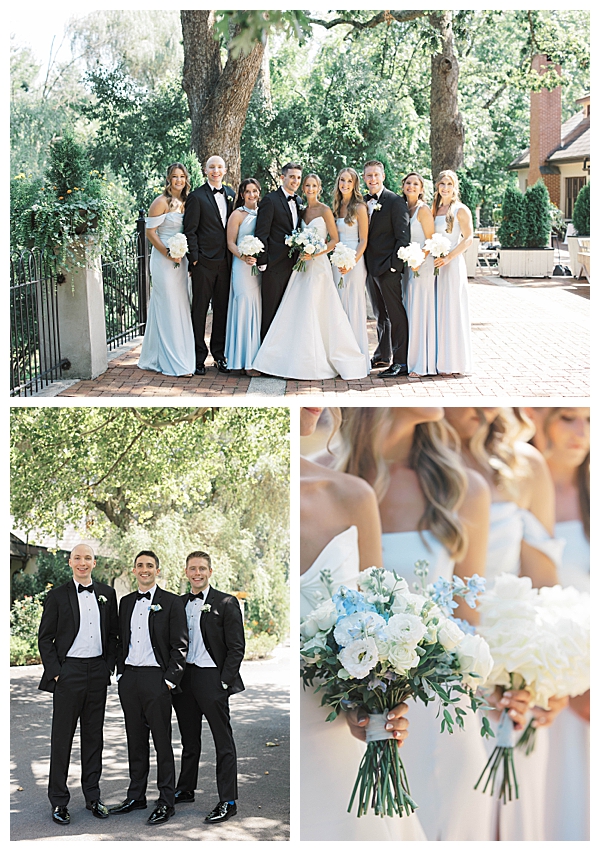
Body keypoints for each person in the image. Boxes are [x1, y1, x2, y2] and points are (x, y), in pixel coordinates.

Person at [331, 407, 497, 840]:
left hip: (446, 713)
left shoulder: (461, 487)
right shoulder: (329, 484)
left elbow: (469, 617)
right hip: (365, 715)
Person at [299, 407, 425, 841]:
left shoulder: (352, 495)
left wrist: (375, 706)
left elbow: (383, 619)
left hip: (338, 732)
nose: (316, 403)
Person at [443, 407, 564, 841]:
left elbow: (546, 588)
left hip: (514, 682)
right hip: (436, 681)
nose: (481, 410)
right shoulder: (415, 464)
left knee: (510, 823)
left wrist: (549, 680)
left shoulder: (524, 465)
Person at [526, 407, 590, 841]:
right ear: (538, 418)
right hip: (544, 681)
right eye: (568, 418)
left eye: (589, 419)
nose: (581, 433)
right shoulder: (521, 489)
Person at [252, 174, 367, 380]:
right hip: (301, 266)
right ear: (303, 188)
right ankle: (290, 359)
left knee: (318, 308)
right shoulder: (301, 210)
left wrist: (316, 252)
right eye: (307, 185)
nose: (310, 188)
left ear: (319, 188)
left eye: (314, 185)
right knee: (296, 310)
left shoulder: (324, 210)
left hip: (319, 265)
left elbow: (334, 239)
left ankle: (319, 360)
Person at [37, 543, 118, 825]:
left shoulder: (108, 594)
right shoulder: (57, 596)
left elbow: (114, 635)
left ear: (94, 563)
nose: (82, 563)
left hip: (97, 671)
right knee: (62, 738)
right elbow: (45, 638)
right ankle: (59, 801)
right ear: (70, 562)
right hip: (68, 671)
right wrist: (57, 673)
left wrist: (107, 667)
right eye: (77, 558)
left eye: (87, 558)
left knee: (94, 738)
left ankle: (93, 797)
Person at [110, 551, 188, 825]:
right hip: (130, 679)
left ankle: (166, 801)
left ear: (157, 570)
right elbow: (121, 639)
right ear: (134, 570)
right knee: (135, 740)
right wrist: (121, 672)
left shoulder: (171, 602)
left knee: (162, 742)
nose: (145, 570)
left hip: (157, 680)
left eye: (150, 566)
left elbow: (180, 645)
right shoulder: (127, 602)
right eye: (140, 565)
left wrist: (169, 680)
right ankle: (136, 796)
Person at [172, 551, 245, 825]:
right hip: (185, 679)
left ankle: (228, 800)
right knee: (189, 740)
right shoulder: (178, 604)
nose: (197, 573)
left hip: (212, 679)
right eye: (192, 568)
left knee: (223, 741)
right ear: (186, 572)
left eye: (202, 568)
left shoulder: (226, 602)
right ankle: (185, 788)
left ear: (210, 572)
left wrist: (224, 681)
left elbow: (237, 647)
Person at [138, 163, 196, 377]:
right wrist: (167, 253)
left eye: (182, 176)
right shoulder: (160, 202)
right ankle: (174, 362)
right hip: (164, 260)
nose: (178, 180)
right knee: (169, 305)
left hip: (180, 262)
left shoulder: (187, 202)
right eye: (175, 176)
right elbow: (150, 232)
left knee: (178, 305)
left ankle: (156, 354)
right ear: (169, 179)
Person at [183, 155, 235, 376]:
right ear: (205, 170)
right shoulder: (196, 197)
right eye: (212, 167)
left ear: (225, 170)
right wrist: (195, 259)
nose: (216, 171)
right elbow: (190, 230)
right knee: (200, 311)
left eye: (219, 167)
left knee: (222, 310)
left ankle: (219, 355)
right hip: (204, 263)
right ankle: (197, 357)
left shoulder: (232, 195)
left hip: (226, 262)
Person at [362, 160, 410, 377]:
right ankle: (383, 354)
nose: (372, 179)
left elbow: (403, 237)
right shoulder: (362, 202)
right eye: (369, 175)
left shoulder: (395, 201)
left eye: (376, 175)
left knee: (395, 313)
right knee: (380, 314)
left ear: (383, 177)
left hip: (388, 267)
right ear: (364, 178)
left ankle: (401, 362)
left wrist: (394, 267)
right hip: (370, 268)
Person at [431, 171, 474, 375]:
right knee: (437, 310)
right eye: (442, 183)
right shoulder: (434, 209)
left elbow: (468, 238)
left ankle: (454, 362)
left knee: (452, 310)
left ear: (455, 186)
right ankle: (438, 360)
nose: (445, 187)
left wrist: (448, 257)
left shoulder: (460, 210)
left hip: (452, 265)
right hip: (434, 265)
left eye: (449, 184)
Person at [255, 162, 303, 339]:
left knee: (287, 311)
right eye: (291, 177)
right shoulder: (270, 200)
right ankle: (265, 358)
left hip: (294, 266)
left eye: (298, 177)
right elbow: (262, 232)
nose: (295, 181)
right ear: (282, 177)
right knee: (270, 310)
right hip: (274, 265)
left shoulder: (299, 201)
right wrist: (263, 261)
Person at [331, 168, 370, 373]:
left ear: (355, 184)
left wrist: (351, 262)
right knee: (338, 306)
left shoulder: (359, 207)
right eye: (342, 180)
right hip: (336, 261)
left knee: (353, 307)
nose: (345, 184)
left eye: (349, 181)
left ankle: (356, 359)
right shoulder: (336, 207)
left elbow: (363, 239)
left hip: (354, 261)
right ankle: (340, 357)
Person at [224, 178, 262, 374]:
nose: (252, 195)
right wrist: (244, 256)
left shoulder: (263, 212)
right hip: (241, 266)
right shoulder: (236, 215)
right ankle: (242, 361)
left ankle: (254, 360)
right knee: (244, 307)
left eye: (255, 191)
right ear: (241, 194)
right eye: (248, 191)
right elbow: (230, 243)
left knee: (257, 309)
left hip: (257, 269)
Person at [401, 173, 436, 376]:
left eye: (416, 184)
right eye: (408, 183)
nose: (411, 186)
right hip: (409, 264)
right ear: (403, 185)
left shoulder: (423, 210)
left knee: (419, 311)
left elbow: (430, 240)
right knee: (410, 310)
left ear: (421, 188)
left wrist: (418, 260)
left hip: (422, 265)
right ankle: (410, 359)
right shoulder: (404, 208)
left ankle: (421, 364)